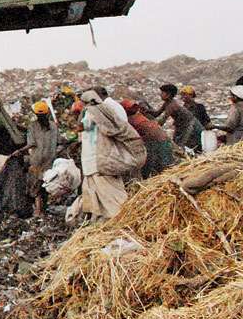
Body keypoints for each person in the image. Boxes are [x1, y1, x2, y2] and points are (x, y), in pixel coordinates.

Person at [70, 89, 142, 223]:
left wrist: (82, 111)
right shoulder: (104, 111)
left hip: (97, 160)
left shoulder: (92, 113)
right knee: (103, 192)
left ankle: (123, 219)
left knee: (110, 195)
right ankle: (109, 220)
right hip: (105, 158)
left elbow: (79, 127)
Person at [12, 100, 58, 215]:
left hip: (37, 161)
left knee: (35, 186)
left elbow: (32, 144)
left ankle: (38, 212)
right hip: (50, 160)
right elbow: (59, 141)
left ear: (36, 114)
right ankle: (44, 208)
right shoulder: (53, 126)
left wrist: (19, 151)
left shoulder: (33, 126)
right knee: (45, 184)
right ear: (47, 113)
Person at [121, 99, 174, 178]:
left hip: (155, 143)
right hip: (163, 140)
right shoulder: (139, 116)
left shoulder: (131, 120)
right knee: (165, 167)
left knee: (152, 166)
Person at [154, 83, 204, 152]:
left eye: (163, 93)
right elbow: (157, 113)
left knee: (181, 146)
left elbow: (162, 121)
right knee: (177, 144)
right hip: (181, 126)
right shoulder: (167, 103)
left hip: (190, 125)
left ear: (168, 95)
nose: (161, 94)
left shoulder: (172, 105)